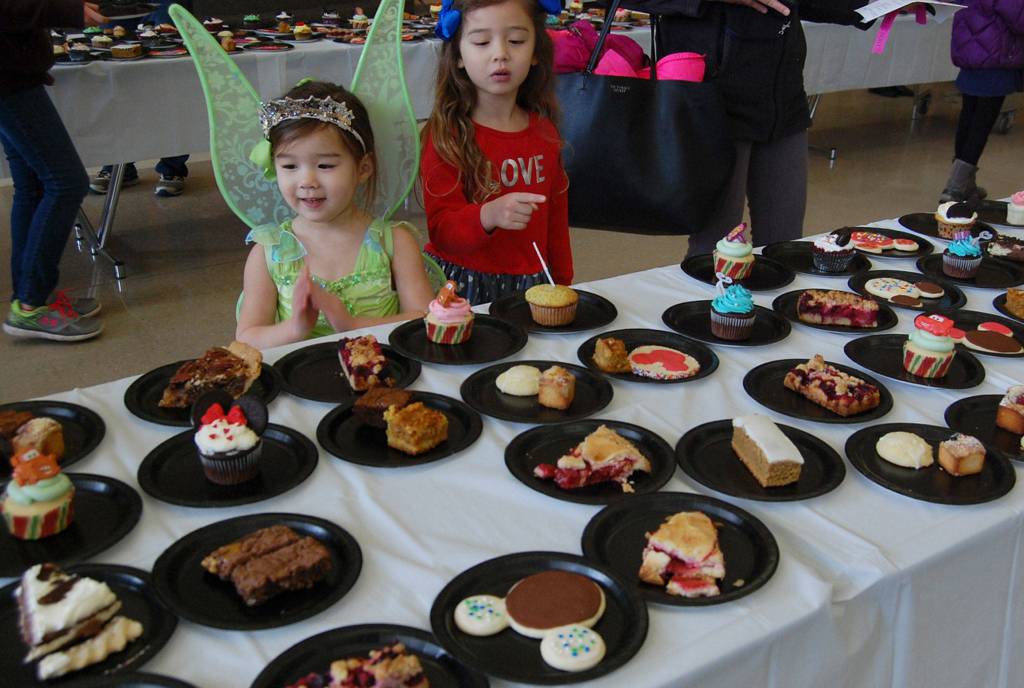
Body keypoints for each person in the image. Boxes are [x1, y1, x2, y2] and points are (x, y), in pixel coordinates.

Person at [622, 0, 871, 255]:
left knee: (785, 245)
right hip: (712, 104)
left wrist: (872, 5)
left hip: (783, 101)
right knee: (716, 250)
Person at [236, 80, 436, 349]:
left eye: (325, 165)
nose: (307, 180)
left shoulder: (395, 242)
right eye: (290, 165)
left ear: (363, 168)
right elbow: (247, 337)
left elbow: (424, 320)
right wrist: (294, 327)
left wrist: (350, 325)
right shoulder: (268, 252)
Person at [421, 0, 573, 306]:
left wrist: (563, 282)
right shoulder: (447, 135)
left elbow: (556, 219)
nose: (500, 54)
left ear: (535, 53)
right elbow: (442, 231)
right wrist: (488, 215)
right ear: (459, 56)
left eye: (516, 40)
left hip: (531, 283)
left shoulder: (544, 132)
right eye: (480, 41)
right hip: (463, 285)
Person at [1, 0, 104, 341]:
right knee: (66, 182)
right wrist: (66, 10)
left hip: (16, 76)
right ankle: (30, 304)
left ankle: (31, 298)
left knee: (33, 186)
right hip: (9, 82)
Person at [88, 0, 190, 197]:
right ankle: (118, 165)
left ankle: (172, 169)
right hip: (115, 4)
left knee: (169, 78)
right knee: (115, 80)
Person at [940, 0, 1023, 202]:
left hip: (972, 53)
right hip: (994, 57)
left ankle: (965, 182)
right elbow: (1019, 19)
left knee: (968, 119)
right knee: (981, 125)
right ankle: (955, 188)